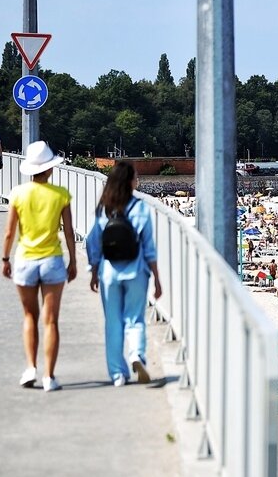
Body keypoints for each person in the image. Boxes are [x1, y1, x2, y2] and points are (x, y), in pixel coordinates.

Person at [1, 141, 76, 392]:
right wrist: (73, 261)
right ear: (50, 169)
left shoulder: (18, 194)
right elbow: (68, 233)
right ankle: (49, 377)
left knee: (29, 317)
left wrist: (5, 259)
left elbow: (10, 232)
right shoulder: (61, 194)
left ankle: (31, 368)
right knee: (51, 321)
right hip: (52, 260)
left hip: (25, 259)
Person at [86, 161, 162, 386]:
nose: (137, 181)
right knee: (134, 319)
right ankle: (137, 354)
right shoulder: (140, 208)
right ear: (129, 182)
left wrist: (94, 270)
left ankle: (118, 374)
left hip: (109, 272)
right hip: (136, 271)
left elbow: (93, 243)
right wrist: (157, 279)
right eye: (135, 178)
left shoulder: (104, 208)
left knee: (113, 322)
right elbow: (149, 248)